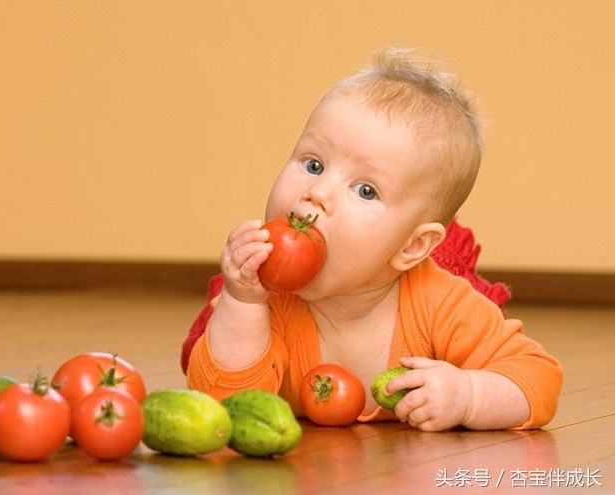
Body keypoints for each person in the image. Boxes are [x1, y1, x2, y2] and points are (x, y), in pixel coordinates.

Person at [183, 46, 562, 432]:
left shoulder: (441, 305)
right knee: (214, 326)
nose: (317, 192)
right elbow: (223, 409)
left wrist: (468, 394)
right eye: (313, 164)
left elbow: (538, 379)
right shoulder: (267, 304)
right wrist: (242, 302)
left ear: (411, 246)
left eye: (366, 190)